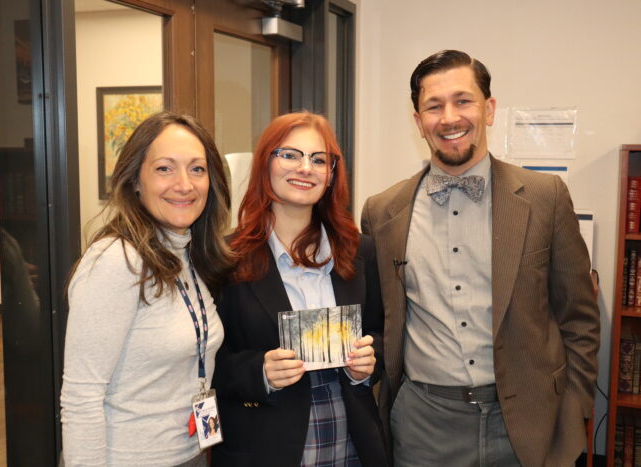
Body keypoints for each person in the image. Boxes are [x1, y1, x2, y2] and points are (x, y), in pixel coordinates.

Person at [361, 50, 600, 466]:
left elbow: (579, 320)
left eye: (463, 100)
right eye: (433, 106)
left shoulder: (546, 198)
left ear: (489, 109)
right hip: (423, 427)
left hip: (528, 423)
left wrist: (573, 410)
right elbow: (378, 322)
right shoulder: (382, 212)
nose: (449, 118)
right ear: (418, 122)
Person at [212, 112, 388, 467]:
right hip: (264, 442)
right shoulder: (225, 257)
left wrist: (370, 363)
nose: (306, 168)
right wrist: (259, 371)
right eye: (290, 154)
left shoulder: (359, 250)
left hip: (351, 437)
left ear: (331, 175)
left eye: (319, 159)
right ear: (266, 164)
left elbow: (380, 333)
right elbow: (206, 362)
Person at [60, 112, 234, 466]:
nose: (184, 184)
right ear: (135, 180)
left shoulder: (187, 253)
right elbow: (82, 396)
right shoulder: (116, 260)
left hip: (188, 453)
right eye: (164, 169)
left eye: (197, 169)